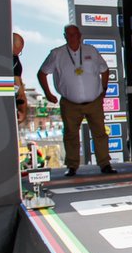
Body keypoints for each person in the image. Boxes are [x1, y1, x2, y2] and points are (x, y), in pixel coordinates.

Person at [38, 25, 115, 177]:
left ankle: (105, 164)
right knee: (71, 135)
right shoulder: (57, 53)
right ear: (65, 36)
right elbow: (42, 73)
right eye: (69, 35)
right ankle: (72, 166)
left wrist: (104, 89)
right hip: (70, 103)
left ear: (80, 35)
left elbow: (105, 69)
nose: (72, 37)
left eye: (75, 34)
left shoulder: (91, 50)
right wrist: (47, 93)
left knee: (100, 133)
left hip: (94, 101)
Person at [12, 32, 28, 127]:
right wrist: (22, 111)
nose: (17, 55)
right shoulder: (15, 62)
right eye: (17, 52)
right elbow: (19, 92)